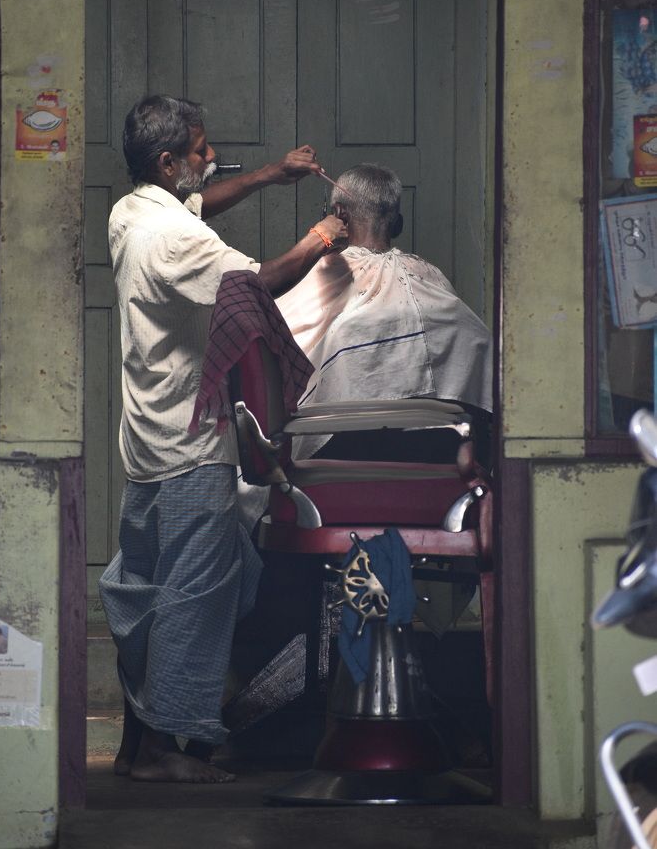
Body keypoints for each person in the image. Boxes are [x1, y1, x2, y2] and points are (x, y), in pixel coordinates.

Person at [98, 95, 347, 784]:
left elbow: (201, 207)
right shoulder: (175, 240)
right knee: (196, 599)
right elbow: (259, 284)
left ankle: (138, 741)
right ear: (169, 161)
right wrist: (323, 237)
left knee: (149, 590)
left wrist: (273, 174)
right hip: (193, 448)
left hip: (148, 445)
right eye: (202, 151)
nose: (212, 160)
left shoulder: (135, 211)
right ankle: (167, 751)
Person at [274, 163, 492, 464]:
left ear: (339, 214)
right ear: (397, 221)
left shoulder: (327, 272)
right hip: (439, 452)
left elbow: (281, 344)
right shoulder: (428, 274)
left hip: (348, 449)